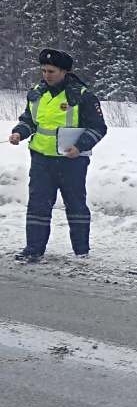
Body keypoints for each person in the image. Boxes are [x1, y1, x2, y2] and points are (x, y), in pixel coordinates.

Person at [8, 48, 107, 262]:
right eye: (43, 70)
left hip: (71, 161)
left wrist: (79, 147)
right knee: (38, 205)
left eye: (51, 71)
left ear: (64, 72)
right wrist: (19, 133)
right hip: (41, 158)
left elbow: (98, 127)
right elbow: (29, 121)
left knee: (75, 204)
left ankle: (81, 250)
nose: (46, 75)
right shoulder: (36, 93)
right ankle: (33, 249)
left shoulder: (82, 95)